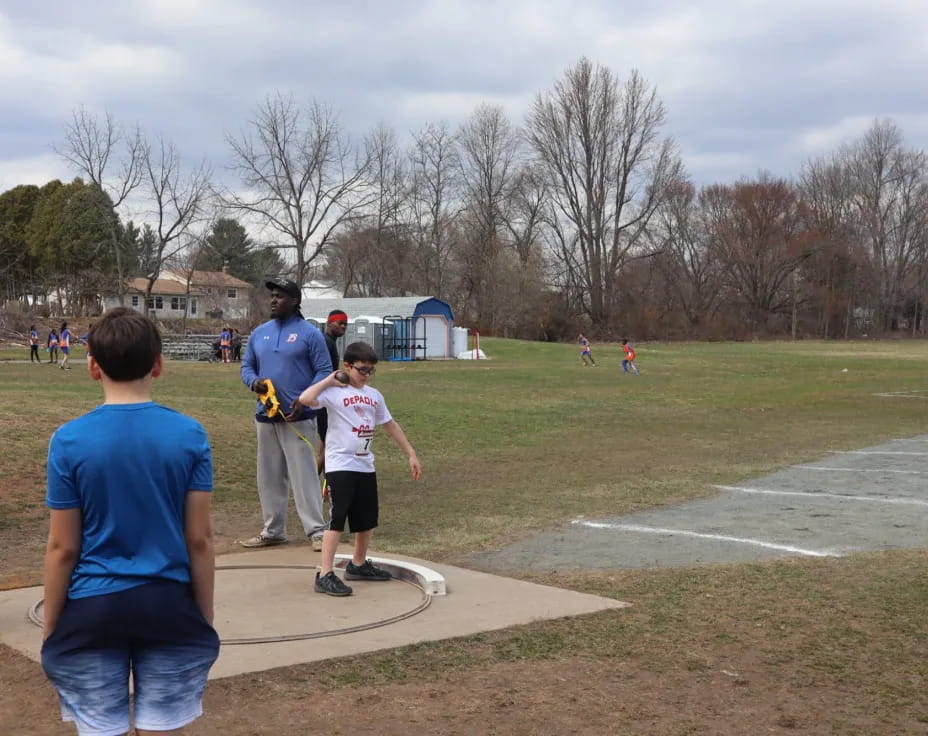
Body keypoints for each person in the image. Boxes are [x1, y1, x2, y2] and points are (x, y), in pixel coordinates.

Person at [41, 306, 219, 736]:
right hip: (170, 605)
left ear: (92, 366)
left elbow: (62, 548)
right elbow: (200, 539)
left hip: (92, 609)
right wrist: (203, 615)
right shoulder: (190, 435)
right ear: (158, 365)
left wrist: (52, 627)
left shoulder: (68, 441)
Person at [299, 341, 422, 596]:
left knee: (367, 519)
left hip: (364, 463)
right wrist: (330, 380)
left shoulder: (374, 396)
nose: (366, 375)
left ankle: (358, 564)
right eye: (362, 369)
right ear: (347, 366)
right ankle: (324, 574)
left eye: (371, 371)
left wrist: (410, 453)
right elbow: (305, 399)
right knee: (337, 517)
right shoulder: (333, 393)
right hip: (340, 463)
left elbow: (390, 425)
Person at [240, 279, 332, 550]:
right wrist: (253, 381)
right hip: (265, 415)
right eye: (272, 296)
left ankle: (316, 532)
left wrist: (306, 400)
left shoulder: (310, 334)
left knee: (304, 474)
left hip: (299, 418)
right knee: (269, 475)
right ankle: (273, 531)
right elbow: (246, 366)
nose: (273, 300)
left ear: (294, 301)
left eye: (279, 296)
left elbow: (324, 371)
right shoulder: (259, 333)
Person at [317, 310, 349, 474]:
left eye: (345, 324)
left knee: (326, 439)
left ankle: (324, 483)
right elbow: (325, 373)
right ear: (329, 323)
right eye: (340, 323)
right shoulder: (325, 342)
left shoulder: (330, 341)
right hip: (322, 397)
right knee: (328, 440)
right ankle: (315, 483)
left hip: (325, 395)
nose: (343, 326)